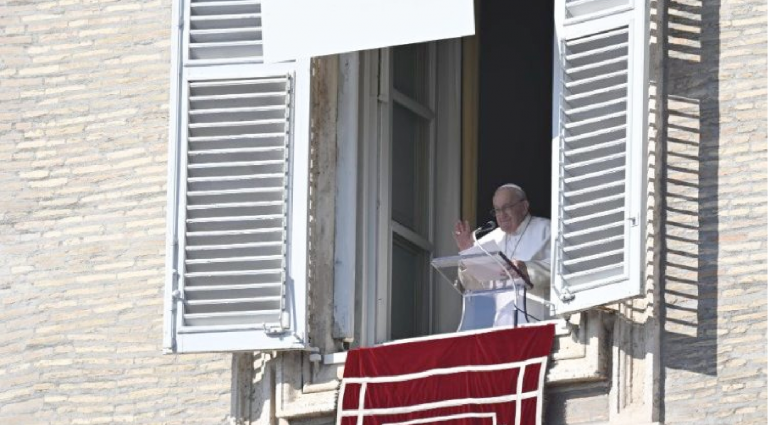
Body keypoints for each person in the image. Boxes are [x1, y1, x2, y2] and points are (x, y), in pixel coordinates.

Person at [453, 184, 551, 326]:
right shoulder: (485, 241)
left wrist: (527, 269)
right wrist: (467, 253)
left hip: (539, 321)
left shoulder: (548, 230)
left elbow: (562, 271)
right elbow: (472, 286)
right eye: (497, 210)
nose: (502, 215)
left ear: (524, 206)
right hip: (500, 324)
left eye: (507, 208)